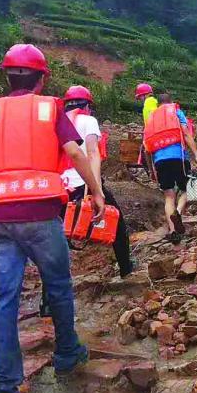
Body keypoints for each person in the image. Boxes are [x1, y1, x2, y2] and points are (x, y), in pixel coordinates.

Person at [0, 44, 105, 393]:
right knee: (57, 286)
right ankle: (67, 354)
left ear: (7, 76)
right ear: (42, 78)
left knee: (5, 300)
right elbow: (74, 153)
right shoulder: (51, 107)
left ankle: (2, 390)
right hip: (41, 213)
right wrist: (96, 191)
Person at [60, 86, 134, 275]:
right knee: (117, 224)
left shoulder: (57, 121)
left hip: (59, 186)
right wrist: (96, 189)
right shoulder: (88, 120)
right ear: (87, 106)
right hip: (82, 182)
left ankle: (51, 292)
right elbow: (92, 152)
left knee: (57, 237)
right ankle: (126, 268)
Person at [143, 93, 197, 243]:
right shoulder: (176, 111)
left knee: (169, 196)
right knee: (186, 190)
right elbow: (186, 134)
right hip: (179, 157)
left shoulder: (151, 118)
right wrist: (196, 155)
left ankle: (173, 231)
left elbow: (146, 149)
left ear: (158, 105)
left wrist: (151, 170)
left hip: (159, 161)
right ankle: (178, 212)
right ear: (170, 102)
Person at [135, 83, 157, 175]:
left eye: (140, 97)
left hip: (154, 134)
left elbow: (151, 120)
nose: (140, 99)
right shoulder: (155, 101)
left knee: (145, 153)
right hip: (158, 131)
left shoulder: (149, 103)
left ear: (144, 95)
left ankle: (152, 173)